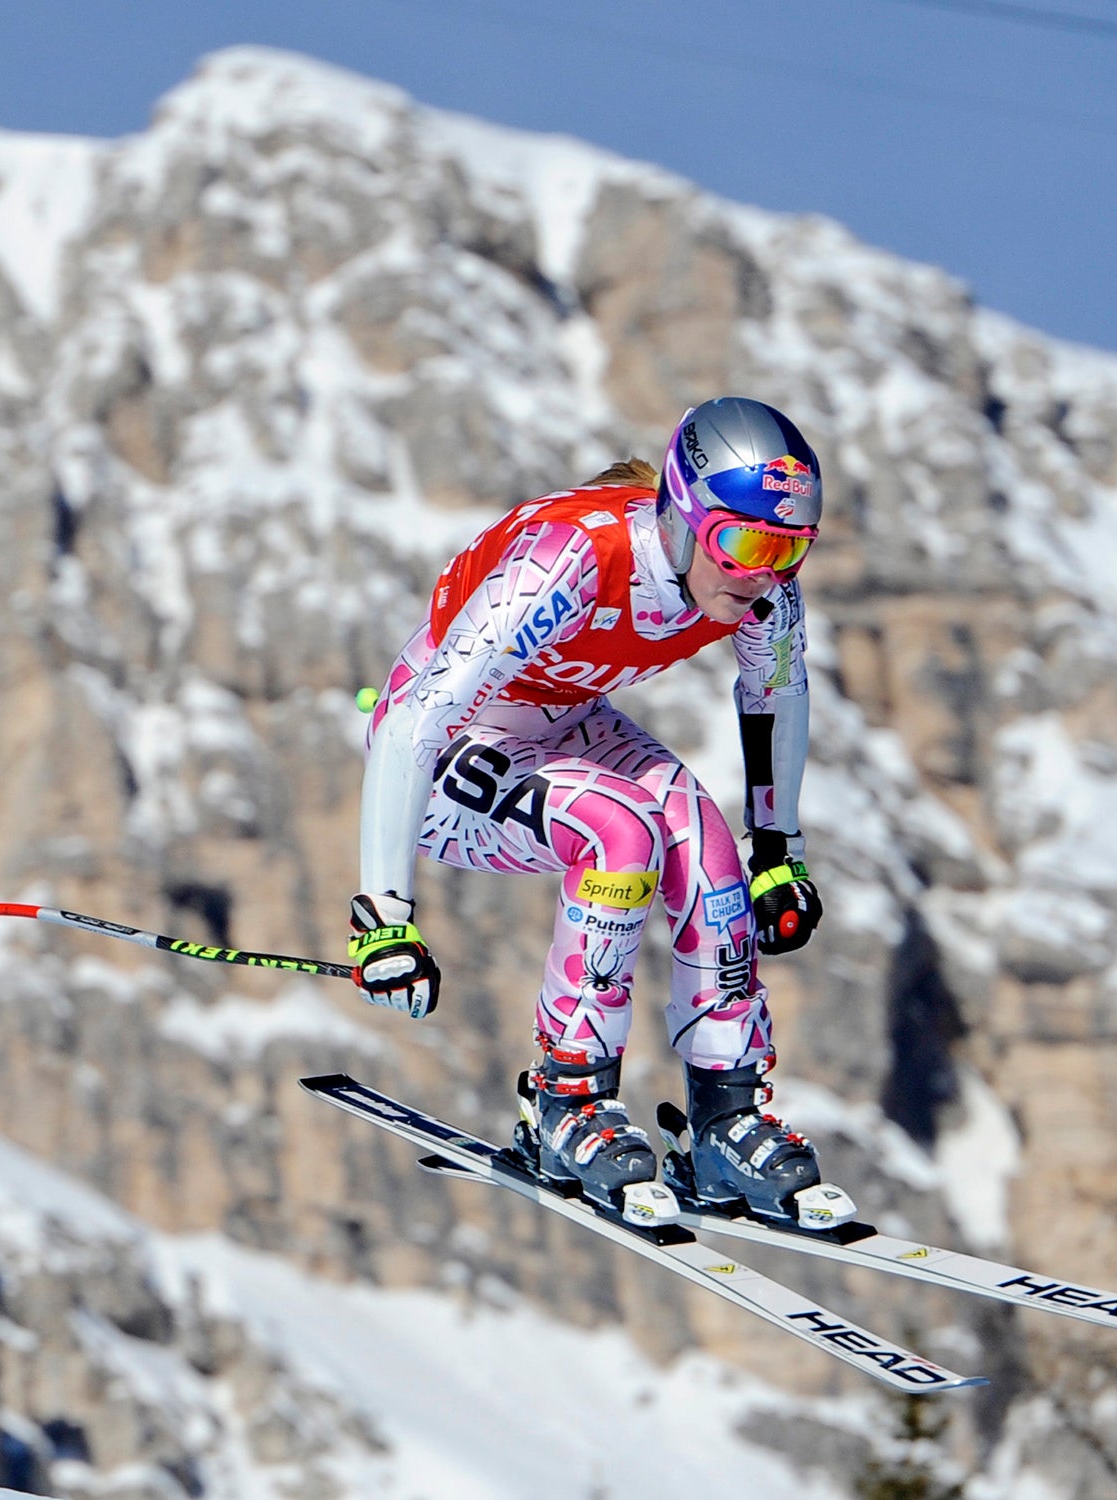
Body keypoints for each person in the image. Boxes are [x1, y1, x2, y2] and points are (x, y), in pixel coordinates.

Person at [348, 396, 826, 1224]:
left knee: (703, 839)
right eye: (745, 544)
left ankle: (724, 1119)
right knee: (620, 829)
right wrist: (383, 917)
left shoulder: (763, 595)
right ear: (683, 512)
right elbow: (412, 719)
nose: (761, 575)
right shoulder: (571, 556)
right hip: (447, 743)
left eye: (790, 551)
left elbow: (776, 693)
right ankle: (567, 1102)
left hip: (562, 722)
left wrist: (778, 848)